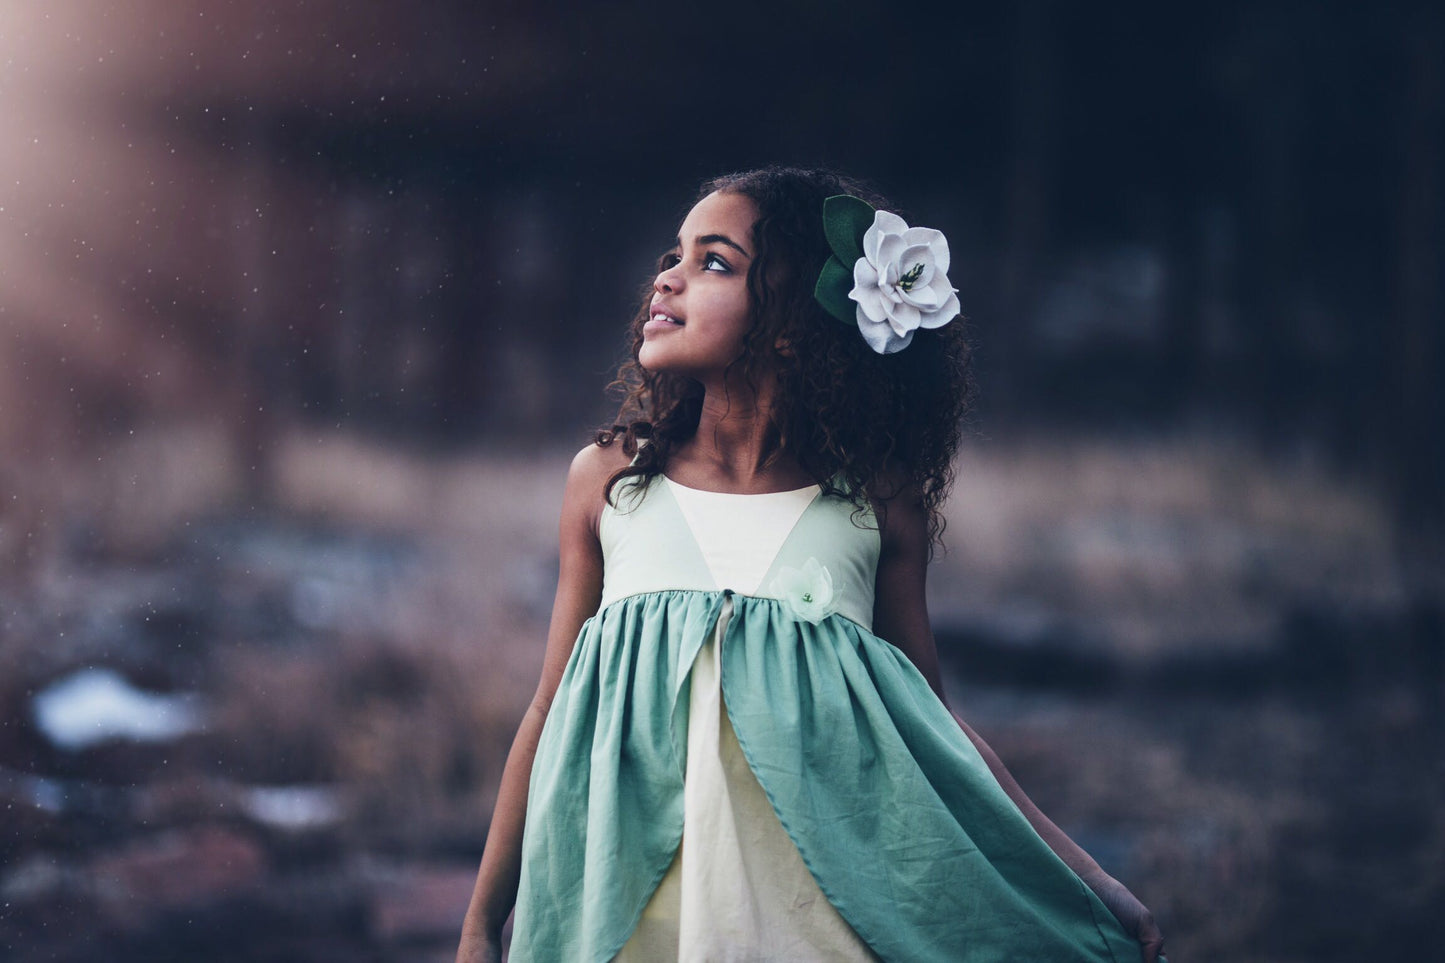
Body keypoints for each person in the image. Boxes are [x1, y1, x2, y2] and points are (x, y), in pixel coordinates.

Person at [455, 166, 1166, 963]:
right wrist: (483, 924)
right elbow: (548, 709)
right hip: (630, 925)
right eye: (673, 255)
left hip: (815, 926)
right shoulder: (610, 482)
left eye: (713, 261)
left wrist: (1087, 874)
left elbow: (934, 730)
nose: (667, 276)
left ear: (791, 324)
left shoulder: (874, 503)